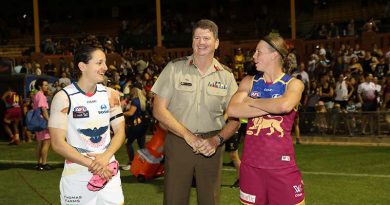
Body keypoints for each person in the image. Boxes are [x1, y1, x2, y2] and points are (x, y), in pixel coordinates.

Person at [151, 19, 240, 205]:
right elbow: (158, 110)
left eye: (206, 38)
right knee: (174, 199)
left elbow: (235, 119)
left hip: (212, 144)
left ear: (216, 42)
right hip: (179, 141)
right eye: (197, 37)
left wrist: (216, 140)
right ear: (192, 41)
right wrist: (188, 136)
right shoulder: (174, 68)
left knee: (210, 200)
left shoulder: (226, 75)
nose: (201, 42)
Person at [227, 32, 305, 205]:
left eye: (258, 52)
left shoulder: (293, 84)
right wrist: (271, 105)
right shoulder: (248, 81)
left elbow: (284, 106)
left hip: (282, 168)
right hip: (251, 168)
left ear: (274, 54)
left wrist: (251, 102)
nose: (254, 56)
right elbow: (232, 110)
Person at [49, 45, 125, 204]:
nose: (105, 67)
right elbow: (57, 143)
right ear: (82, 66)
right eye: (99, 63)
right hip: (78, 174)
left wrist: (104, 158)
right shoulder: (63, 98)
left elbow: (120, 132)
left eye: (104, 63)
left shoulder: (111, 94)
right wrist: (95, 165)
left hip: (108, 171)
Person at [122, 86, 149, 171]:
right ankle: (145, 164)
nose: (130, 91)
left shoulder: (135, 100)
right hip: (143, 125)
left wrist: (121, 113)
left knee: (128, 143)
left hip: (136, 125)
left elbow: (130, 113)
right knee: (142, 145)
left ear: (135, 90)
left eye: (132, 89)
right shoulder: (143, 100)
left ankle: (131, 163)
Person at [33, 79, 51, 170]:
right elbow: (43, 110)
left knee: (40, 143)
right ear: (40, 86)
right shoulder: (41, 96)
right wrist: (49, 121)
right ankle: (44, 164)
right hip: (43, 121)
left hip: (37, 121)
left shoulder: (36, 95)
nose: (47, 86)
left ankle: (39, 164)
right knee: (46, 143)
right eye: (45, 85)